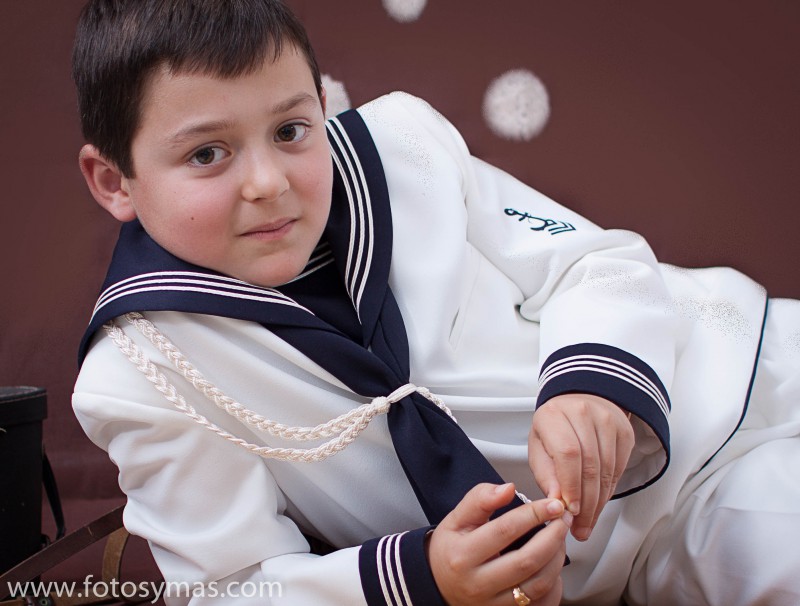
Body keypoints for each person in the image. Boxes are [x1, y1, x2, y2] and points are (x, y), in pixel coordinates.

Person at [70, 1, 800, 605]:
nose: (269, 182)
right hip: (651, 539)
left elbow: (594, 262)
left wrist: (590, 382)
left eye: (291, 131)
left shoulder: (403, 148)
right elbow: (233, 586)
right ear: (113, 181)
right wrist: (421, 578)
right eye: (207, 154)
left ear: (322, 108)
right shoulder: (141, 373)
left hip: (731, 376)